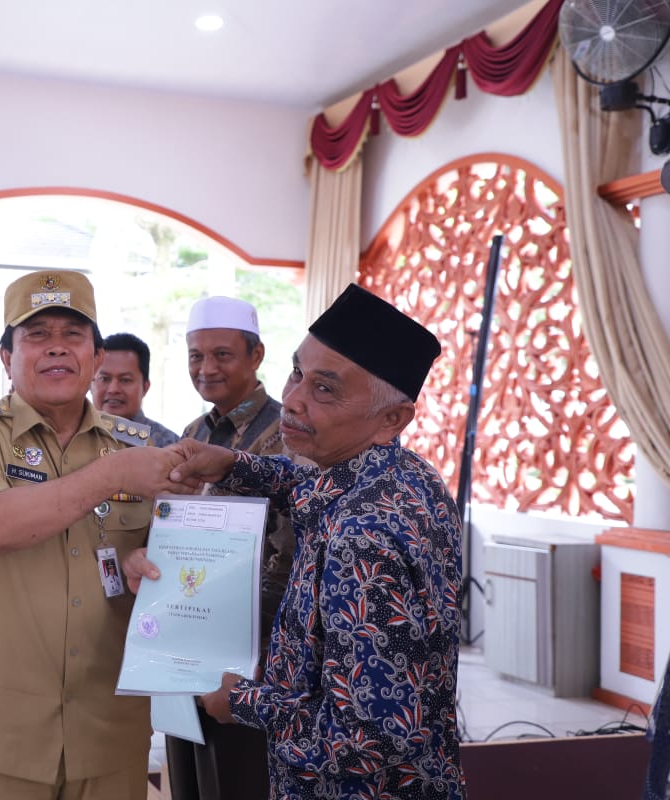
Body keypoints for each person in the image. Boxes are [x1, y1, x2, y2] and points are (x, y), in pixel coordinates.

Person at [129, 283, 466, 799]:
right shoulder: (403, 475)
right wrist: (233, 463)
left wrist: (241, 701)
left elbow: (368, 738)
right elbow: (304, 483)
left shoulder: (361, 538)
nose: (292, 400)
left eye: (325, 389)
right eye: (296, 373)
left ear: (392, 419)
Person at [0, 269, 191, 799]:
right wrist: (112, 475)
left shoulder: (133, 445)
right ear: (6, 357)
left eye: (73, 335)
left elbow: (162, 560)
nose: (56, 348)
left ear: (96, 358)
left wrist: (145, 565)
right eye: (37, 335)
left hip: (109, 725)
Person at [166, 295, 294, 800]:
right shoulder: (193, 432)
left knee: (238, 775)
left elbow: (286, 552)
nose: (206, 368)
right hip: (187, 629)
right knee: (189, 771)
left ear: (256, 356)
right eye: (196, 356)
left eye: (222, 354)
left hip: (249, 645)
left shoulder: (285, 434)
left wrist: (252, 644)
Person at [92, 332, 180, 447]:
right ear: (90, 383)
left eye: (125, 380)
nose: (113, 389)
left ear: (145, 387)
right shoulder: (72, 437)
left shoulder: (168, 445)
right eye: (104, 379)